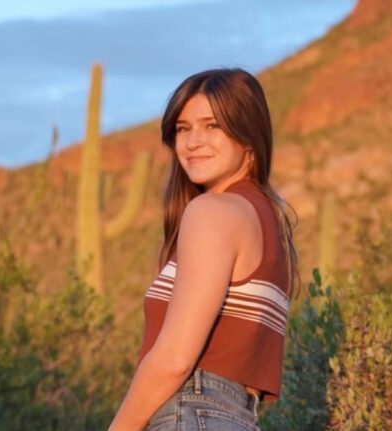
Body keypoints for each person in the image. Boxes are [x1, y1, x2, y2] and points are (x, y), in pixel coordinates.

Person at [108, 68, 299, 431]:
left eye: (212, 126)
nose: (193, 141)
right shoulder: (268, 224)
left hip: (191, 411)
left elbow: (175, 357)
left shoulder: (212, 212)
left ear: (248, 135)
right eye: (183, 128)